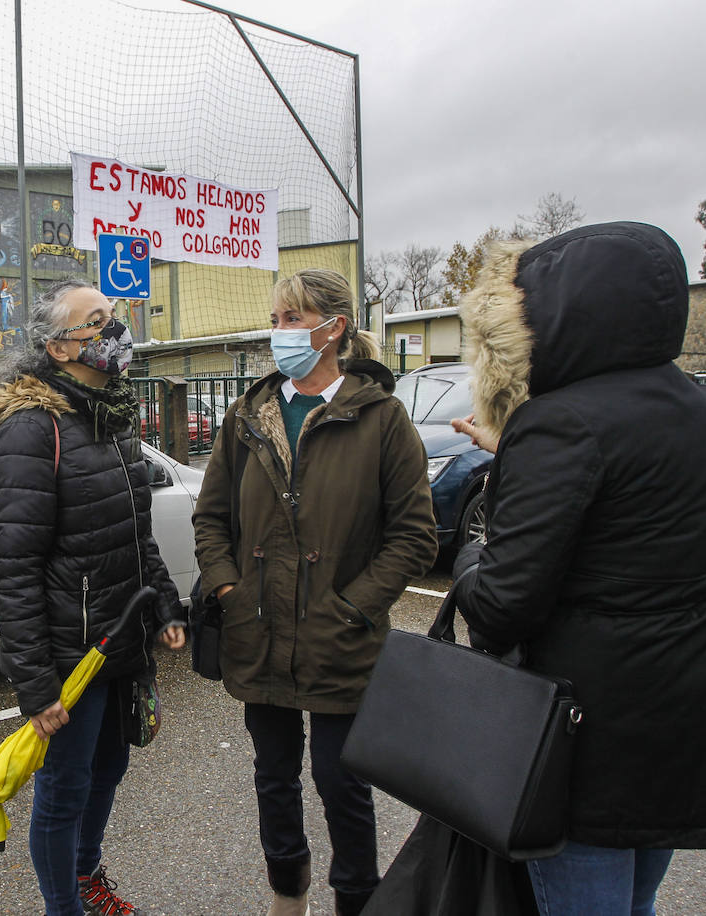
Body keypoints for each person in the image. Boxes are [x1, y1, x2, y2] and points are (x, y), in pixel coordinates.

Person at [448, 222, 706, 916]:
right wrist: (514, 456)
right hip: (682, 723)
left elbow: (500, 604)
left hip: (589, 745)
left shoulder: (559, 422)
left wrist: (468, 554)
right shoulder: (686, 404)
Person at [192, 268, 439, 916]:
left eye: (293, 319)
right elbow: (211, 519)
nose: (280, 333)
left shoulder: (381, 419)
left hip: (341, 640)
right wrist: (228, 590)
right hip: (259, 632)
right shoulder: (247, 415)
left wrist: (352, 606)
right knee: (274, 780)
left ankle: (357, 899)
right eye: (276, 319)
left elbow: (415, 536)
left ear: (333, 329)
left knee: (341, 782)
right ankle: (286, 895)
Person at [0, 277, 187, 916]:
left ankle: (87, 875)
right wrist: (35, 685)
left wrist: (167, 604)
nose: (114, 331)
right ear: (60, 349)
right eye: (96, 322)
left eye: (113, 316)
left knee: (111, 770)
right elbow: (14, 568)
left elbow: (135, 533)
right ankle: (64, 906)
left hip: (119, 640)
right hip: (71, 655)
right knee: (63, 792)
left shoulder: (113, 417)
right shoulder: (32, 430)